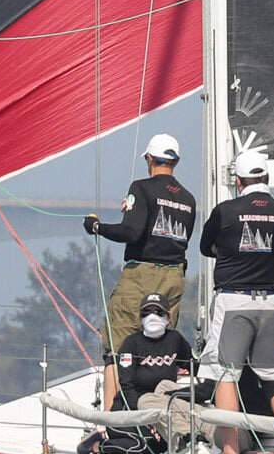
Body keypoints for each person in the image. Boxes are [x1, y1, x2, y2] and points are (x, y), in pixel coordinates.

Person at [199, 148, 274, 454]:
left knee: (225, 376)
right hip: (272, 300)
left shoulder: (225, 210)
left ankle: (230, 452)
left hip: (234, 302)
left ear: (238, 180)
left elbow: (205, 247)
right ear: (266, 177)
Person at [84, 133, 198, 408]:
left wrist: (96, 227)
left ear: (149, 159)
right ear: (175, 162)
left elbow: (131, 232)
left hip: (141, 274)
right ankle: (159, 411)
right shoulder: (188, 199)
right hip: (173, 278)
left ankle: (114, 418)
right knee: (161, 345)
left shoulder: (142, 188)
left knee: (117, 343)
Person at [81, 295, 198, 454]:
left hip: (162, 407)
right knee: (147, 447)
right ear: (140, 318)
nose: (152, 317)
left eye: (158, 312)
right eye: (146, 313)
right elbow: (127, 386)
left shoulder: (175, 339)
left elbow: (194, 366)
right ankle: (97, 445)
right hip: (129, 409)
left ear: (168, 317)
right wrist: (147, 415)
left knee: (166, 442)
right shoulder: (131, 343)